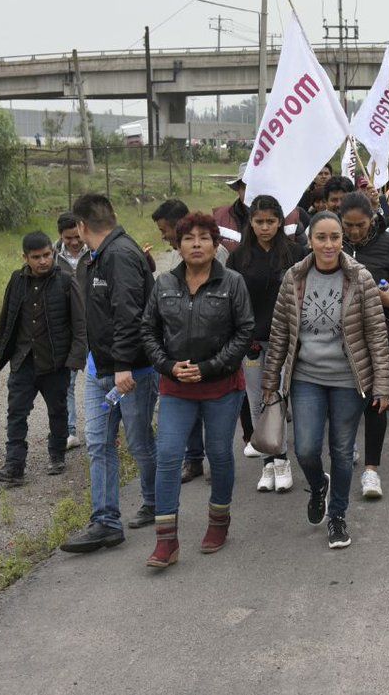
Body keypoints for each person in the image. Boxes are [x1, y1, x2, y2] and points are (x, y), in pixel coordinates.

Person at [261, 212, 389, 550]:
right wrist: (269, 382)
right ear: (310, 240)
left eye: (335, 237)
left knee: (341, 449)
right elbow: (279, 334)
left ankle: (337, 516)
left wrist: (382, 385)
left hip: (349, 380)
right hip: (306, 377)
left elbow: (377, 335)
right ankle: (318, 484)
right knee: (306, 449)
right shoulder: (294, 278)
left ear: (342, 240)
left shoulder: (360, 278)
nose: (329, 244)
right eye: (322, 237)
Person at [140, 213, 254, 568]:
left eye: (204, 238)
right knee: (169, 455)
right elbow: (148, 331)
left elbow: (244, 331)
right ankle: (166, 541)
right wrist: (168, 366)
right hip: (175, 386)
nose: (196, 244)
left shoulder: (232, 283)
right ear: (178, 245)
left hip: (221, 386)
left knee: (219, 454)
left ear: (216, 243)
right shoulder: (163, 284)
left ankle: (219, 521)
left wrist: (207, 368)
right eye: (188, 238)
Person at [61, 194, 159, 554]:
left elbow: (129, 315)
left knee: (138, 442)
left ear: (83, 227)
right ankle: (105, 521)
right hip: (99, 369)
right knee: (99, 445)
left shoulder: (120, 256)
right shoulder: (94, 258)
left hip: (130, 372)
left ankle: (156, 501)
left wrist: (122, 366)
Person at [0, 231, 86, 485]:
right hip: (23, 360)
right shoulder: (17, 280)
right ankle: (14, 467)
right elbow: (6, 316)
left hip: (55, 362)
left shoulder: (65, 282)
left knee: (58, 411)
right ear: (25, 257)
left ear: (52, 253)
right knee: (16, 413)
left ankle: (57, 455)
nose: (43, 261)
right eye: (36, 257)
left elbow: (80, 324)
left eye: (46, 255)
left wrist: (75, 359)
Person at [227, 195, 308, 495]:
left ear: (280, 222)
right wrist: (243, 338)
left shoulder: (295, 253)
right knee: (256, 401)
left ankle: (283, 460)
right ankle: (266, 463)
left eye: (271, 222)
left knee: (279, 399)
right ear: (251, 222)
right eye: (259, 222)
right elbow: (232, 301)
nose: (265, 227)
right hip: (251, 341)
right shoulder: (238, 257)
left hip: (285, 339)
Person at [149, 198, 229, 484]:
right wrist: (167, 361)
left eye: (164, 230)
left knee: (213, 418)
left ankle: (215, 465)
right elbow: (155, 317)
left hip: (215, 360)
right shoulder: (172, 260)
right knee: (187, 417)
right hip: (180, 359)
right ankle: (192, 460)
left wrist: (216, 361)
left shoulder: (216, 258)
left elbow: (236, 320)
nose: (163, 237)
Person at [340, 193, 389, 499]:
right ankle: (346, 450)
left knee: (376, 400)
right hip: (339, 337)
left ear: (372, 218)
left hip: (381, 333)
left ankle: (372, 470)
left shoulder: (387, 243)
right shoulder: (333, 241)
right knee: (343, 400)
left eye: (361, 225)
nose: (354, 232)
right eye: (348, 225)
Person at [54, 213, 87, 450]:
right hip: (68, 329)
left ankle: (110, 428)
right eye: (68, 239)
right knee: (67, 381)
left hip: (96, 327)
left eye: (77, 237)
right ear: (60, 236)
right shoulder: (52, 257)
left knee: (106, 379)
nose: (74, 243)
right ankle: (70, 431)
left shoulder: (97, 251)